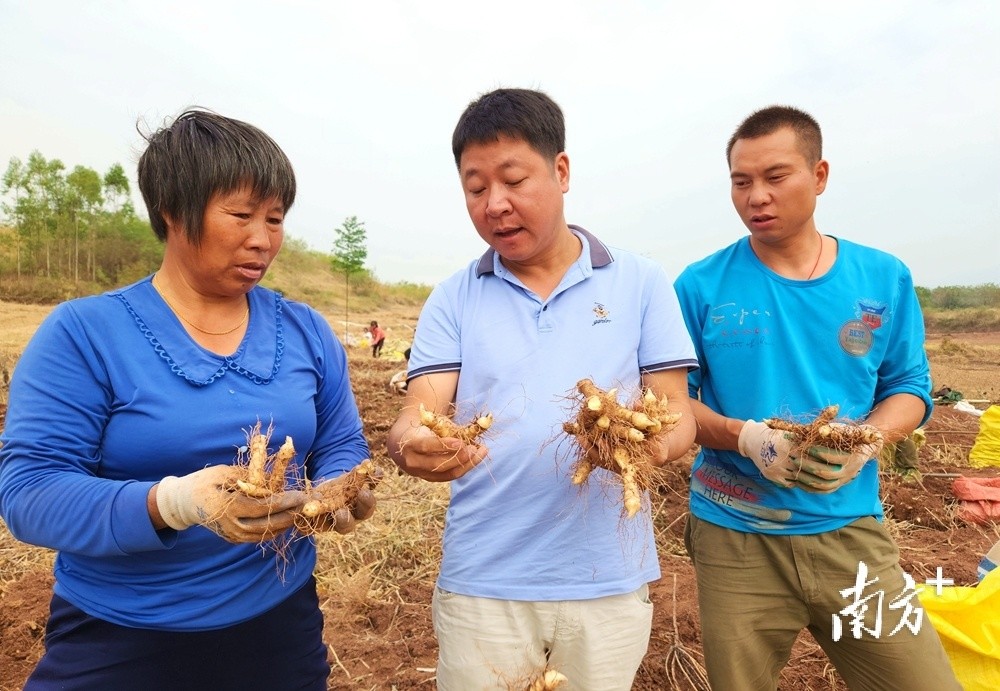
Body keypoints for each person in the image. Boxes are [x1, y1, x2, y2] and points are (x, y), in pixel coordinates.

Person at [0, 108, 376, 690]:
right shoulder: (85, 333)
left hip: (278, 627)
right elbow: (29, 492)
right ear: (173, 211)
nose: (263, 238)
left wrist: (340, 487)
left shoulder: (307, 332)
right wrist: (174, 504)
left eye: (275, 218)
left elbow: (342, 441)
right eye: (241, 215)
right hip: (122, 634)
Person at [387, 87, 698, 690]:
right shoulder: (455, 296)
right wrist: (411, 447)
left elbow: (677, 411)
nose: (495, 205)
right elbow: (416, 415)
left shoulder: (640, 282)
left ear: (561, 171)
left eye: (512, 180)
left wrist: (645, 450)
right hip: (483, 584)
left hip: (606, 582)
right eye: (475, 189)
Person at [673, 105, 961, 690]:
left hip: (849, 531)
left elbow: (908, 386)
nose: (757, 196)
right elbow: (675, 404)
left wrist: (870, 441)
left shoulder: (882, 278)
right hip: (735, 534)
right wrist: (747, 437)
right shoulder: (701, 286)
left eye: (776, 177)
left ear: (820, 175)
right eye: (741, 181)